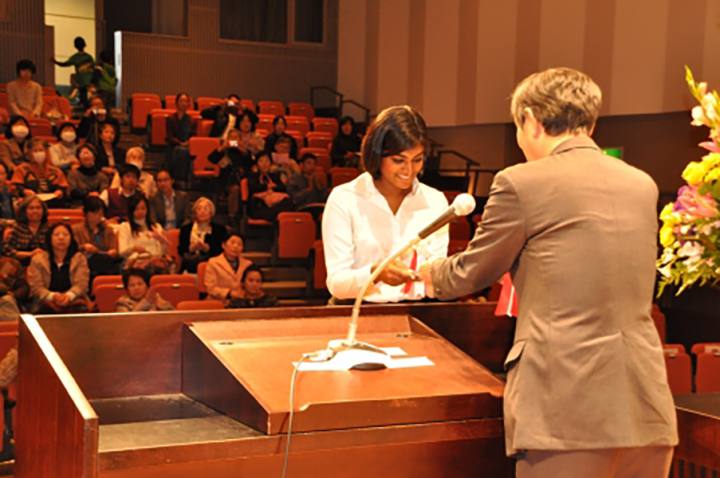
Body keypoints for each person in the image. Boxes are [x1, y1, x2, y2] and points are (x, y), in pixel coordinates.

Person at [419, 68, 678, 477]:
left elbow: (470, 273)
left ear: (531, 120)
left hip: (566, 409)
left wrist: (427, 272)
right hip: (645, 405)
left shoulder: (521, 183)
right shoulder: (641, 184)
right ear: (590, 123)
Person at [321, 105, 449, 303]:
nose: (409, 170)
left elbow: (435, 280)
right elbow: (337, 284)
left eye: (417, 160)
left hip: (416, 309)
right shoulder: (345, 199)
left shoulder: (435, 201)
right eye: (399, 160)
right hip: (355, 309)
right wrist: (375, 274)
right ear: (376, 154)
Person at [27, 222, 90, 314]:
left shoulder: (79, 258)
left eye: (65, 235)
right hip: (45, 300)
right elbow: (36, 287)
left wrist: (68, 296)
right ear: (49, 238)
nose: (61, 238)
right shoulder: (38, 259)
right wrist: (52, 296)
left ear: (71, 238)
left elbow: (81, 284)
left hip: (74, 299)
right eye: (56, 235)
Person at [116, 195, 171, 273]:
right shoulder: (125, 227)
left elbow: (163, 253)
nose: (140, 211)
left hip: (154, 261)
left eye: (143, 208)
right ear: (131, 210)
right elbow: (122, 252)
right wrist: (133, 248)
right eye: (137, 209)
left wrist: (161, 240)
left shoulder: (156, 226)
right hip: (136, 261)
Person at [208, 128, 253, 220]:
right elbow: (211, 159)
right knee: (235, 189)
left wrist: (242, 150)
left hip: (241, 180)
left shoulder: (244, 152)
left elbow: (250, 164)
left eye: (236, 138)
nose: (233, 141)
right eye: (231, 138)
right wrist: (222, 148)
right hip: (226, 180)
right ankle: (232, 216)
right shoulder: (223, 151)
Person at [12, 138, 69, 206]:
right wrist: (24, 191)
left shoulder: (56, 171)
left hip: (53, 203)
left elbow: (63, 187)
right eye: (35, 151)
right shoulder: (22, 169)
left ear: (46, 152)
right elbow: (16, 187)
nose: (39, 153)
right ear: (29, 153)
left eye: (41, 150)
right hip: (29, 203)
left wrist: (60, 191)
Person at [72, 196, 119, 277]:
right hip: (86, 262)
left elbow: (114, 250)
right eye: (95, 213)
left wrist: (111, 252)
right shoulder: (76, 229)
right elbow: (73, 248)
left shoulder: (108, 230)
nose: (98, 216)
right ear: (86, 213)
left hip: (106, 261)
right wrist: (84, 246)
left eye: (101, 214)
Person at [178, 197, 227, 273]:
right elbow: (180, 250)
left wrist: (207, 248)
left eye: (205, 209)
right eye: (199, 209)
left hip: (212, 266)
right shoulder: (186, 229)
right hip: (189, 265)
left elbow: (221, 251)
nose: (202, 211)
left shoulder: (219, 229)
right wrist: (191, 248)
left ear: (211, 212)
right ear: (195, 212)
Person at [204, 232, 253, 304]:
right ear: (223, 245)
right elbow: (210, 288)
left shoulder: (248, 264)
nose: (235, 246)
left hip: (241, 302)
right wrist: (229, 293)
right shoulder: (213, 262)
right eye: (232, 243)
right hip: (219, 302)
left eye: (239, 244)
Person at [247, 152, 293, 221]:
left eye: (267, 161)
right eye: (261, 161)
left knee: (289, 202)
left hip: (274, 205)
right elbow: (252, 187)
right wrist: (267, 186)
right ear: (256, 165)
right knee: (282, 213)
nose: (264, 164)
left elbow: (283, 188)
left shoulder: (274, 176)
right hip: (259, 206)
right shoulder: (252, 176)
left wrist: (274, 186)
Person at [52, 36, 94, 108]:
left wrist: (55, 62)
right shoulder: (89, 57)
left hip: (81, 81)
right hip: (90, 80)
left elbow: (65, 64)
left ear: (75, 46)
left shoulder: (75, 57)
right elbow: (93, 68)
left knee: (83, 98)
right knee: (87, 99)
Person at [5, 196, 48, 266]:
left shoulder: (49, 229)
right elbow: (7, 251)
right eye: (31, 208)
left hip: (44, 264)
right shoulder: (16, 228)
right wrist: (30, 254)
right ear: (24, 211)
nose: (35, 211)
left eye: (38, 208)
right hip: (19, 264)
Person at [166, 92, 196, 188]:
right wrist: (180, 143)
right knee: (181, 151)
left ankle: (181, 179)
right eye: (181, 101)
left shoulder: (191, 120)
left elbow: (193, 136)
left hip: (187, 146)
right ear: (176, 103)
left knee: (184, 151)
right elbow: (169, 136)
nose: (184, 103)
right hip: (173, 146)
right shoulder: (170, 119)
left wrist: (188, 143)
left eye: (186, 101)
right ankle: (179, 179)